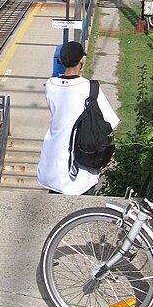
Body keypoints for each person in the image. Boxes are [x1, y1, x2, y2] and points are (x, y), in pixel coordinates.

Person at [37, 41, 119, 195]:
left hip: (52, 164)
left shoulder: (50, 85)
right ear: (82, 60)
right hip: (81, 167)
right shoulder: (90, 88)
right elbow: (111, 122)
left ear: (61, 60)